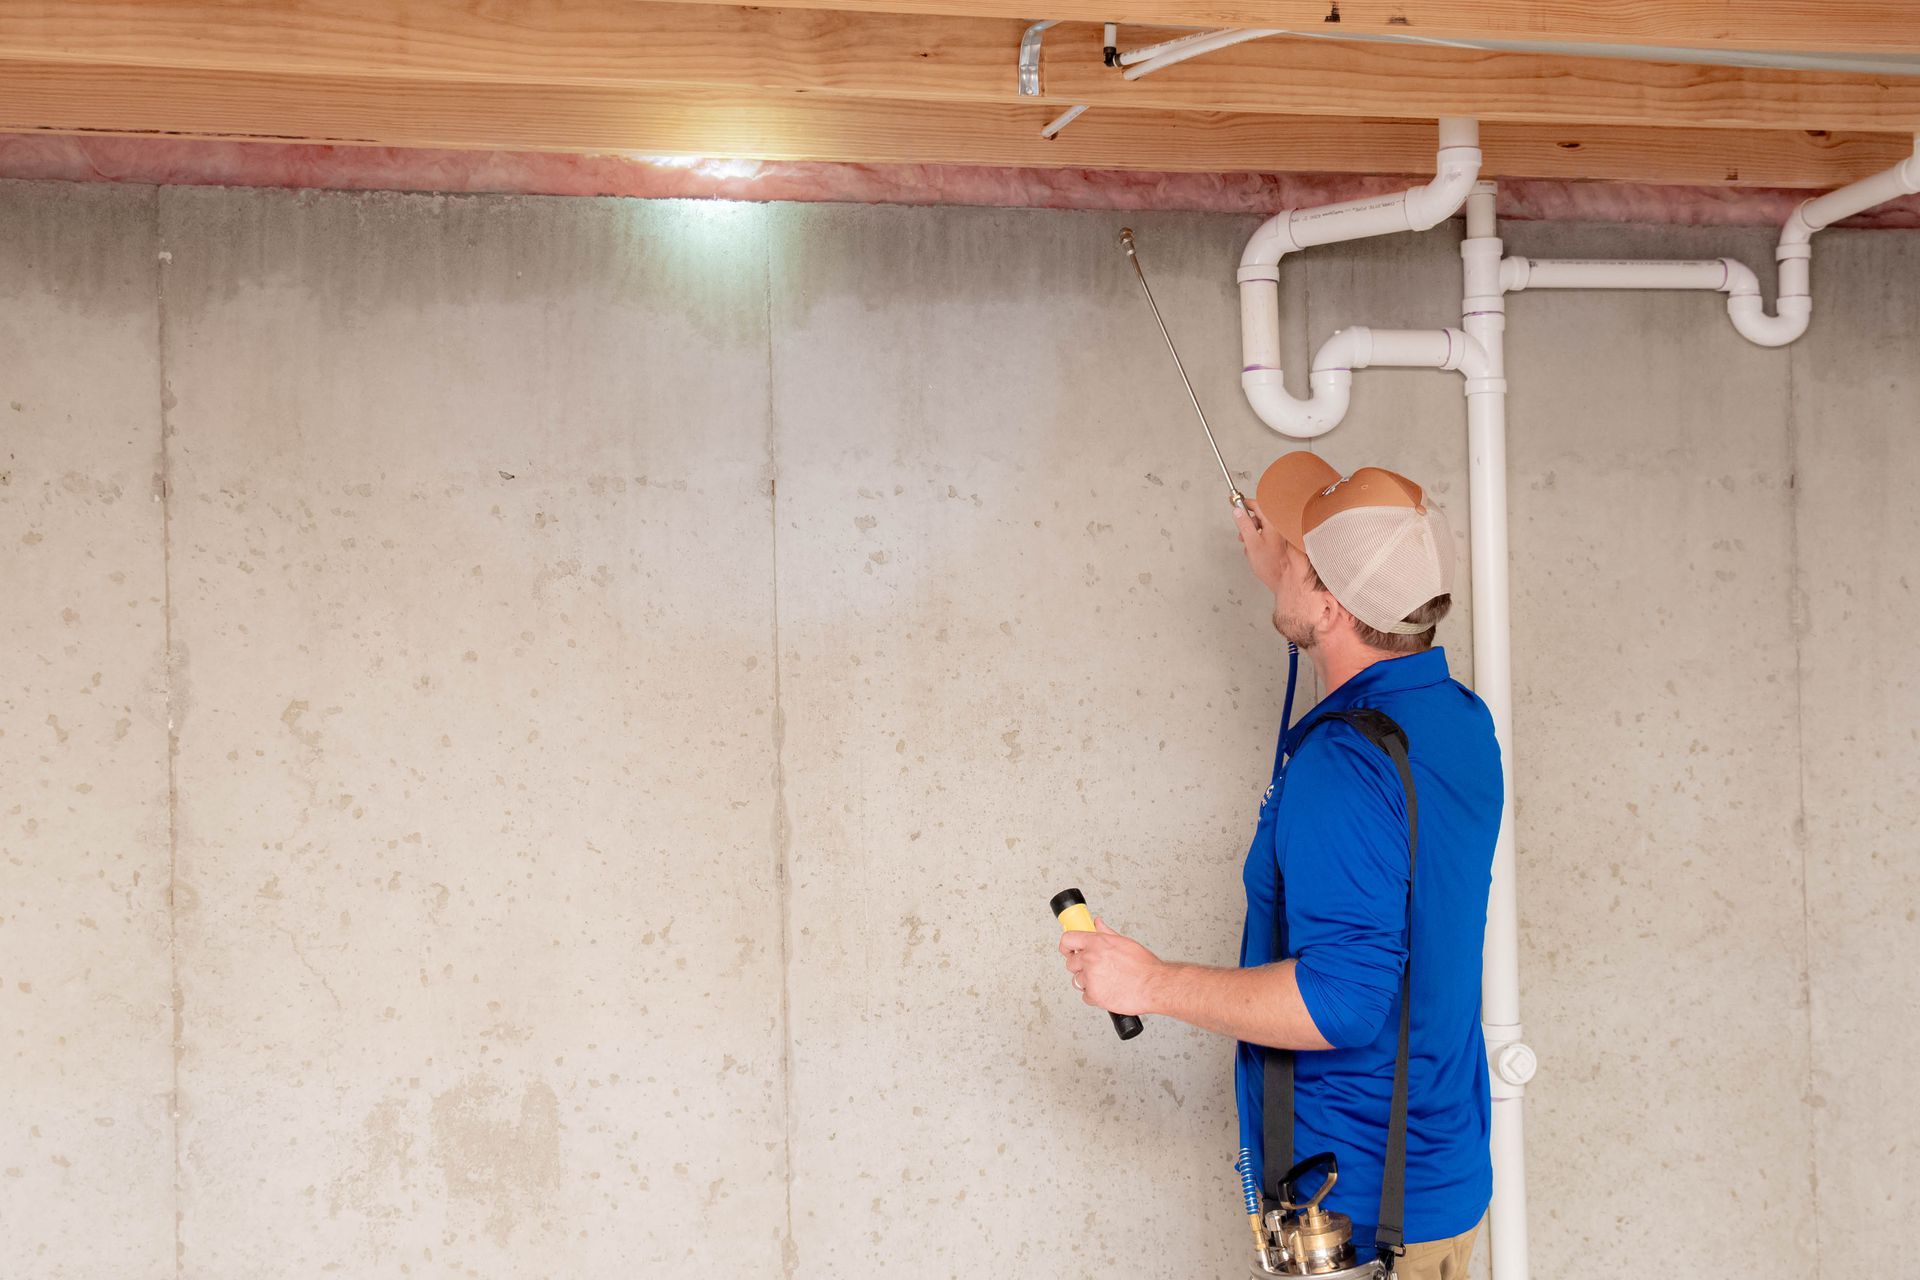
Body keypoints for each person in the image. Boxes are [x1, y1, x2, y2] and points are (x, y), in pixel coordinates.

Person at [1059, 451, 1501, 1280]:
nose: (1281, 559)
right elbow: (1355, 657)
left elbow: (1341, 1004)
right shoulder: (1457, 721)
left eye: (1296, 557)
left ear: (1332, 605)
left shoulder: (1343, 764)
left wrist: (1147, 984)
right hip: (1431, 1180)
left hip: (1361, 1218)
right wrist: (1293, 580)